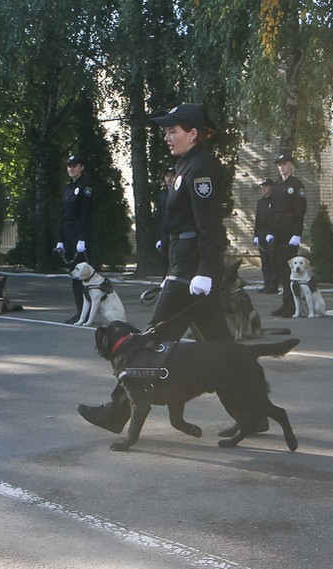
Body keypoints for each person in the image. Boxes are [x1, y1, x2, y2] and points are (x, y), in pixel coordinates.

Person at [77, 103, 234, 435]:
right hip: (184, 264)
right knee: (222, 349)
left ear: (193, 134)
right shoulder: (186, 164)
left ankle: (116, 413)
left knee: (150, 343)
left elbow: (209, 226)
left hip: (191, 270)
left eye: (172, 131)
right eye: (166, 131)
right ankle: (251, 412)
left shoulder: (200, 168)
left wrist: (205, 270)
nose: (166, 137)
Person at [56, 154, 93, 324]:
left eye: (75, 165)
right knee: (74, 276)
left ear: (82, 167)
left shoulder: (85, 187)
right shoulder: (67, 188)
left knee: (84, 277)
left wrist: (82, 238)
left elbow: (86, 214)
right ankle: (80, 311)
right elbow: (63, 215)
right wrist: (60, 239)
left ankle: (87, 312)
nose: (71, 168)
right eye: (69, 166)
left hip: (79, 235)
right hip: (68, 234)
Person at [269, 151, 307, 317]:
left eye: (284, 164)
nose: (282, 167)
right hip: (278, 230)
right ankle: (285, 303)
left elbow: (300, 212)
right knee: (281, 268)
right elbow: (272, 210)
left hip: (290, 230)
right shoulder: (277, 185)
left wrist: (297, 233)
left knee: (290, 269)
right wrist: (270, 231)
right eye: (279, 164)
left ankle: (292, 304)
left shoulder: (297, 185)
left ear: (291, 165)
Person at [253, 178, 278, 293]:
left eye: (266, 186)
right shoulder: (261, 202)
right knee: (265, 262)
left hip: (272, 234)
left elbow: (276, 218)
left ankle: (273, 286)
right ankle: (266, 284)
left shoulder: (276, 201)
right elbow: (258, 219)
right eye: (262, 186)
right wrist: (256, 235)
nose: (263, 188)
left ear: (271, 187)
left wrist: (272, 233)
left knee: (273, 261)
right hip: (262, 233)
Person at [154, 166, 174, 274]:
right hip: (165, 235)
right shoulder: (162, 194)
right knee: (165, 263)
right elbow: (158, 217)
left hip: (178, 234)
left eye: (172, 176)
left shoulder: (180, 192)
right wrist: (158, 237)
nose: (169, 179)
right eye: (167, 176)